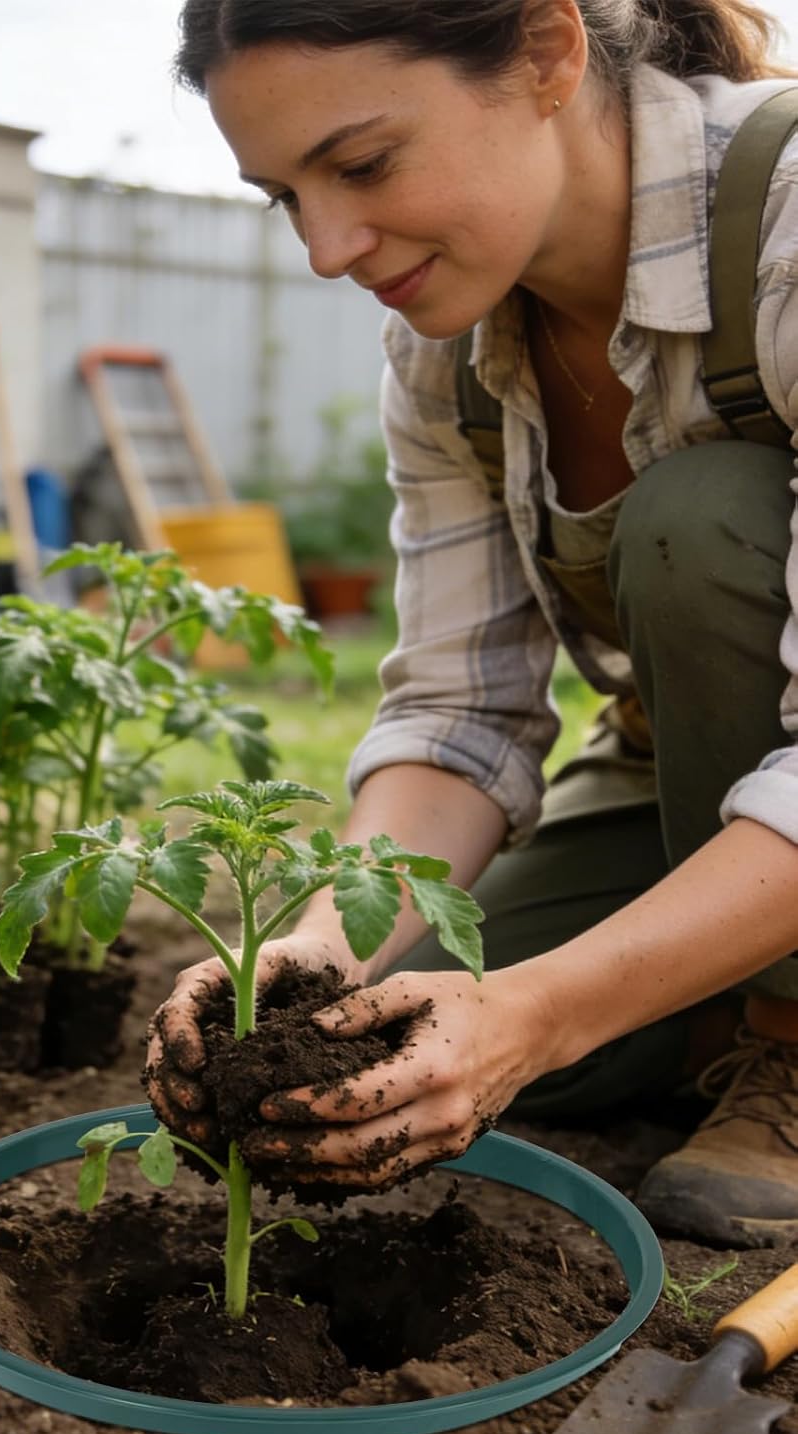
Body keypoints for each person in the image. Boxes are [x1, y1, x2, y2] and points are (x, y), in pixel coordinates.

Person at [148, 0, 798, 1248]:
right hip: (694, 764)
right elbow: (458, 712)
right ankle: (719, 985)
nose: (327, 247)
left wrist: (545, 1010)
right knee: (397, 1034)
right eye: (285, 195)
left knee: (697, 517)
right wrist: (323, 945)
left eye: (362, 164)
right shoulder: (446, 357)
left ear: (550, 54)